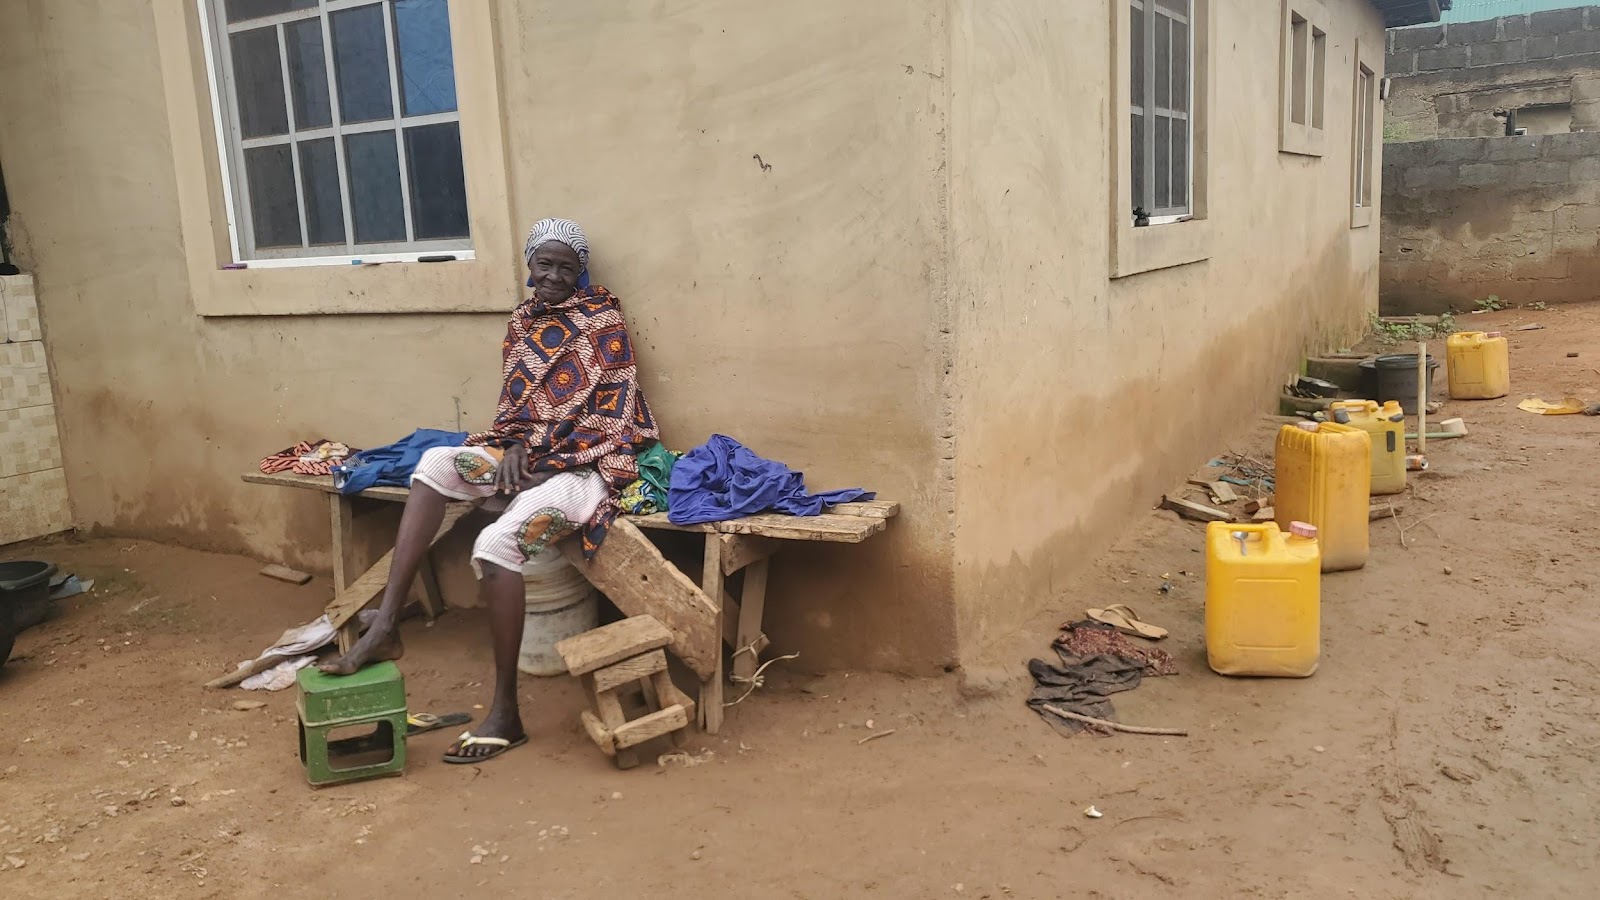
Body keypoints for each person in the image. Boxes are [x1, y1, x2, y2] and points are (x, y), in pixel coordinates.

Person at [318, 218, 659, 764]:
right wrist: (517, 447)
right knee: (433, 463)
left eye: (565, 268)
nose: (552, 276)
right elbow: (516, 408)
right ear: (528, 265)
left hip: (585, 469)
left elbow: (617, 418)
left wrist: (548, 462)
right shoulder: (522, 321)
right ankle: (384, 624)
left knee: (494, 546)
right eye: (543, 265)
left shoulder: (603, 322)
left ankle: (507, 714)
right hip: (528, 456)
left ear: (581, 272)